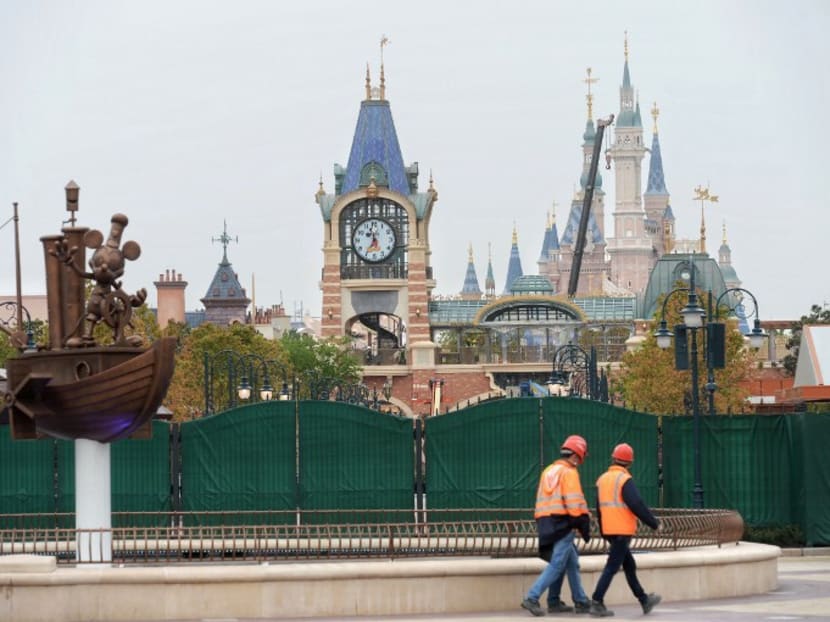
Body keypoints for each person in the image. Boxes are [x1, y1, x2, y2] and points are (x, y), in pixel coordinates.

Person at [521, 435, 592, 616]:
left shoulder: (549, 470)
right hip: (563, 522)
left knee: (572, 562)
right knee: (558, 563)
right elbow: (574, 503)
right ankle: (532, 597)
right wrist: (583, 523)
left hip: (545, 521)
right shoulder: (569, 473)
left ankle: (564, 601)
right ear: (577, 455)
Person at [589, 443, 661, 617]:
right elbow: (636, 504)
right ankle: (597, 601)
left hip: (610, 530)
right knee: (612, 567)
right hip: (622, 530)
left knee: (629, 565)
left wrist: (603, 530)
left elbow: (599, 508)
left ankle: (644, 600)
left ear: (613, 458)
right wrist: (654, 524)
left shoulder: (602, 479)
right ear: (630, 462)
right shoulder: (624, 480)